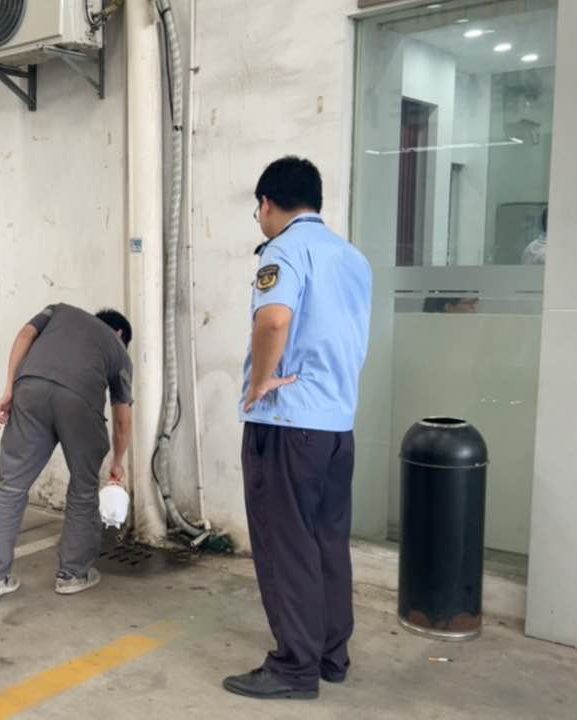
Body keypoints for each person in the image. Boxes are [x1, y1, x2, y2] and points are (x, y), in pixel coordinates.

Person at [222, 157, 372, 701]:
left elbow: (274, 318)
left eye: (257, 210)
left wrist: (261, 381)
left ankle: (293, 667)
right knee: (327, 540)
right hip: (336, 426)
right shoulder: (352, 258)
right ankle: (331, 654)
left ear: (266, 203)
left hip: (287, 424)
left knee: (284, 545)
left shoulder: (283, 250)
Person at [0, 304, 134, 600]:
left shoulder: (58, 311)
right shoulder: (119, 351)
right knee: (83, 489)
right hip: (80, 403)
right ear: (119, 333)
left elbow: (24, 334)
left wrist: (9, 389)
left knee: (11, 486)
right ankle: (72, 575)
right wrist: (117, 462)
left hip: (30, 389)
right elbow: (122, 421)